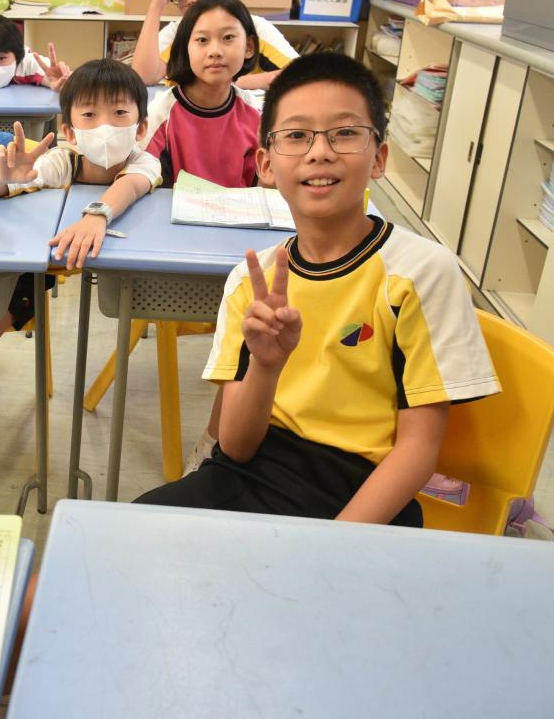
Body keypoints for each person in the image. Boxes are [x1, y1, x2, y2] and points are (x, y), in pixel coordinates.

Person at [136, 53, 500, 526]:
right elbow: (236, 447)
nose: (320, 152)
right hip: (252, 471)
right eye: (296, 136)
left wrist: (332, 543)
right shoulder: (251, 281)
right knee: (130, 534)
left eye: (345, 133)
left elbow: (418, 449)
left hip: (364, 492)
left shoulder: (421, 273)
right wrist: (266, 365)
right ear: (266, 164)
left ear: (379, 158)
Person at [0, 59, 159, 361]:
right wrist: (3, 177)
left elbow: (130, 186)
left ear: (141, 127)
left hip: (31, 272)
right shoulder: (62, 161)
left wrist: (97, 215)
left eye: (119, 113)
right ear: (70, 131)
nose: (104, 126)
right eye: (89, 114)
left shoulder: (145, 162)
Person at [132, 0, 298, 90]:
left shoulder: (254, 27)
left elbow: (301, 74)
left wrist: (229, 83)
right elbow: (143, 77)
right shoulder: (177, 31)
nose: (189, 0)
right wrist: (156, 6)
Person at [143, 0, 262, 187]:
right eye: (202, 40)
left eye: (228, 38)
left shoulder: (256, 114)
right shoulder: (161, 114)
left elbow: (264, 185)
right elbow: (143, 178)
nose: (215, 51)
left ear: (249, 47)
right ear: (185, 48)